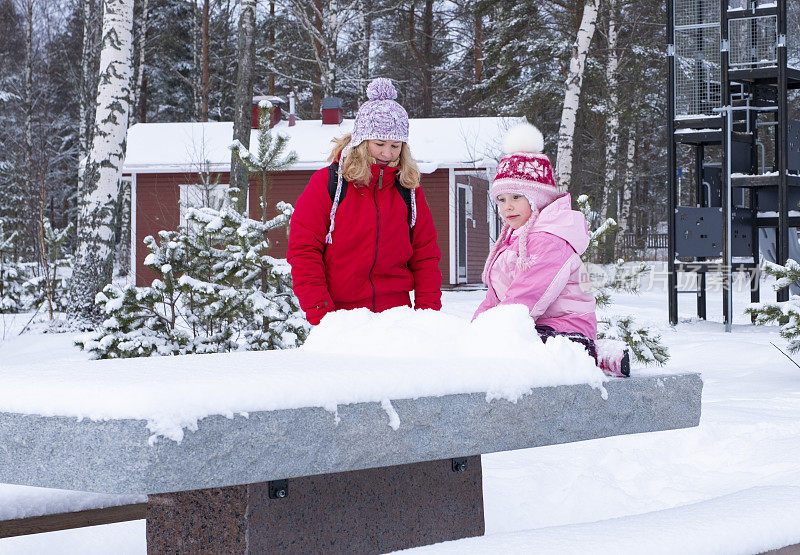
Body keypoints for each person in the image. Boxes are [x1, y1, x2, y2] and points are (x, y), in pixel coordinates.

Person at [473, 123, 628, 376]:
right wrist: (474, 331)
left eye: (516, 198)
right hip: (534, 325)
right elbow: (496, 297)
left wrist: (493, 333)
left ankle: (594, 353)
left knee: (512, 356)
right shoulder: (514, 239)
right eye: (501, 199)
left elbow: (528, 296)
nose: (507, 207)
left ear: (537, 199)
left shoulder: (549, 240)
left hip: (564, 329)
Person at [287, 78, 442, 325]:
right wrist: (322, 315)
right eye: (379, 144)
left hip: (398, 318)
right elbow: (304, 251)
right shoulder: (328, 184)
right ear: (361, 142)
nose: (387, 153)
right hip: (340, 318)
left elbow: (425, 256)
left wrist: (427, 314)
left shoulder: (408, 190)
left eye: (395, 145)